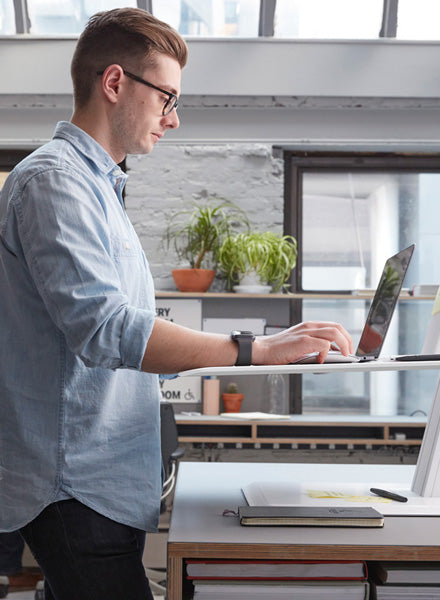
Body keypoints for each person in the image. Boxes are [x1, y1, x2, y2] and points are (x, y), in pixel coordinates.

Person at [0, 8, 353, 600]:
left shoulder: (97, 188)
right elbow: (108, 330)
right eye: (165, 96)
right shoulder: (55, 183)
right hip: (73, 485)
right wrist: (255, 349)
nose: (174, 117)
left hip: (97, 482)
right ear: (114, 84)